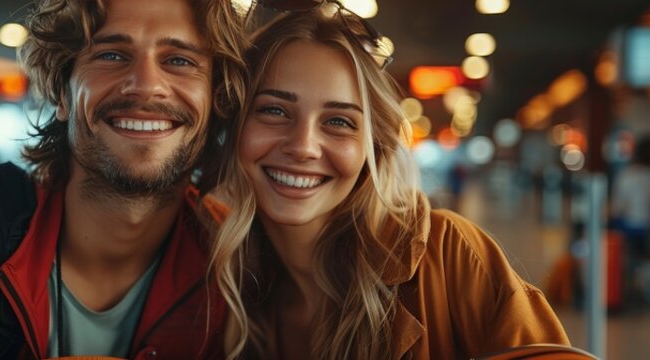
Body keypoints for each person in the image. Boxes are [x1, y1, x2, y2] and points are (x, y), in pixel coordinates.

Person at [0, 0, 247, 358]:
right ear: (62, 95)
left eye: (180, 61)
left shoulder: (239, 269)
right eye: (111, 55)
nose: (146, 85)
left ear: (216, 99)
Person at [207, 6, 569, 359]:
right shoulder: (218, 286)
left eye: (338, 121)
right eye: (274, 110)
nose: (303, 147)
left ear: (373, 148)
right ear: (234, 128)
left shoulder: (448, 256)